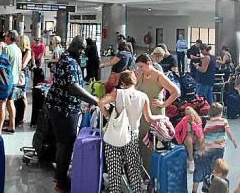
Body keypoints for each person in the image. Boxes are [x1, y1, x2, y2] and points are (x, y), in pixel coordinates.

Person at [45, 36, 99, 192]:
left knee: (63, 143)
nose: (83, 52)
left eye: (84, 49)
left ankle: (60, 176)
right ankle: (61, 183)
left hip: (58, 106)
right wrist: (94, 100)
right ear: (73, 46)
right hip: (64, 109)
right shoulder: (70, 62)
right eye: (80, 48)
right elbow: (73, 87)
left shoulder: (66, 57)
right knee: (66, 144)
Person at [98, 71, 163, 193]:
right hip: (132, 135)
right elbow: (149, 118)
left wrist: (108, 116)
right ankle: (136, 190)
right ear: (134, 81)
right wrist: (162, 117)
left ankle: (115, 190)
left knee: (114, 169)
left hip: (115, 134)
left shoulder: (117, 93)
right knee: (133, 168)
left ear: (122, 83)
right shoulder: (143, 96)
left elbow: (101, 102)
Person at [135, 53, 180, 171]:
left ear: (148, 64)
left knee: (152, 143)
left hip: (154, 114)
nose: (139, 69)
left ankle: (152, 172)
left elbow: (176, 92)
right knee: (141, 141)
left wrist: (164, 104)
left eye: (141, 66)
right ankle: (144, 170)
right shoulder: (141, 75)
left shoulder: (159, 76)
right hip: (142, 114)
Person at [0, 30, 22, 134]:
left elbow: (2, 65)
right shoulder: (18, 49)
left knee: (1, 103)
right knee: (10, 102)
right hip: (14, 80)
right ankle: (12, 126)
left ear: (10, 37)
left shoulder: (7, 49)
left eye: (5, 36)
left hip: (6, 81)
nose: (4, 38)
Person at [203, 103, 237, 174]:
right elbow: (228, 132)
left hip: (208, 147)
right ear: (220, 113)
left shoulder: (208, 123)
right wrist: (233, 140)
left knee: (210, 163)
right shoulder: (223, 121)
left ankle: (209, 176)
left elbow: (205, 135)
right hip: (218, 147)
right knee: (218, 163)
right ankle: (216, 176)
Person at [175, 107, 204, 174]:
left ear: (193, 113)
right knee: (189, 139)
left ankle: (201, 157)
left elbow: (200, 133)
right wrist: (179, 141)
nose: (188, 116)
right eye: (186, 114)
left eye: (189, 114)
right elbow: (176, 130)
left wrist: (194, 125)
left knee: (201, 138)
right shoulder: (184, 120)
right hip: (187, 137)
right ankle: (191, 160)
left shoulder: (198, 119)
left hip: (196, 136)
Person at [17, 35, 32, 125]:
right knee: (19, 94)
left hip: (23, 74)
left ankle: (22, 116)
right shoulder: (19, 50)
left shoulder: (28, 51)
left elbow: (23, 64)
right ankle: (19, 114)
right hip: (18, 73)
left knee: (23, 94)